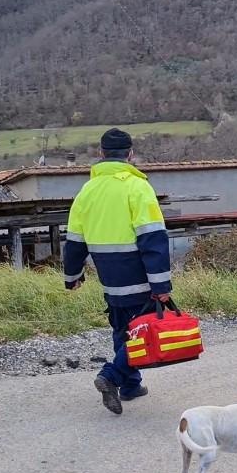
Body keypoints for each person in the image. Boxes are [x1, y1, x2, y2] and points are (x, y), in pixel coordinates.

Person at [63, 128, 172, 415]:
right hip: (138, 275)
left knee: (121, 328)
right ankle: (110, 376)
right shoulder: (137, 187)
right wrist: (161, 285)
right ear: (130, 154)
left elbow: (74, 241)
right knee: (142, 332)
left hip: (109, 279)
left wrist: (71, 276)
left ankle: (131, 385)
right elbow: (153, 239)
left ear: (100, 154)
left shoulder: (87, 191)